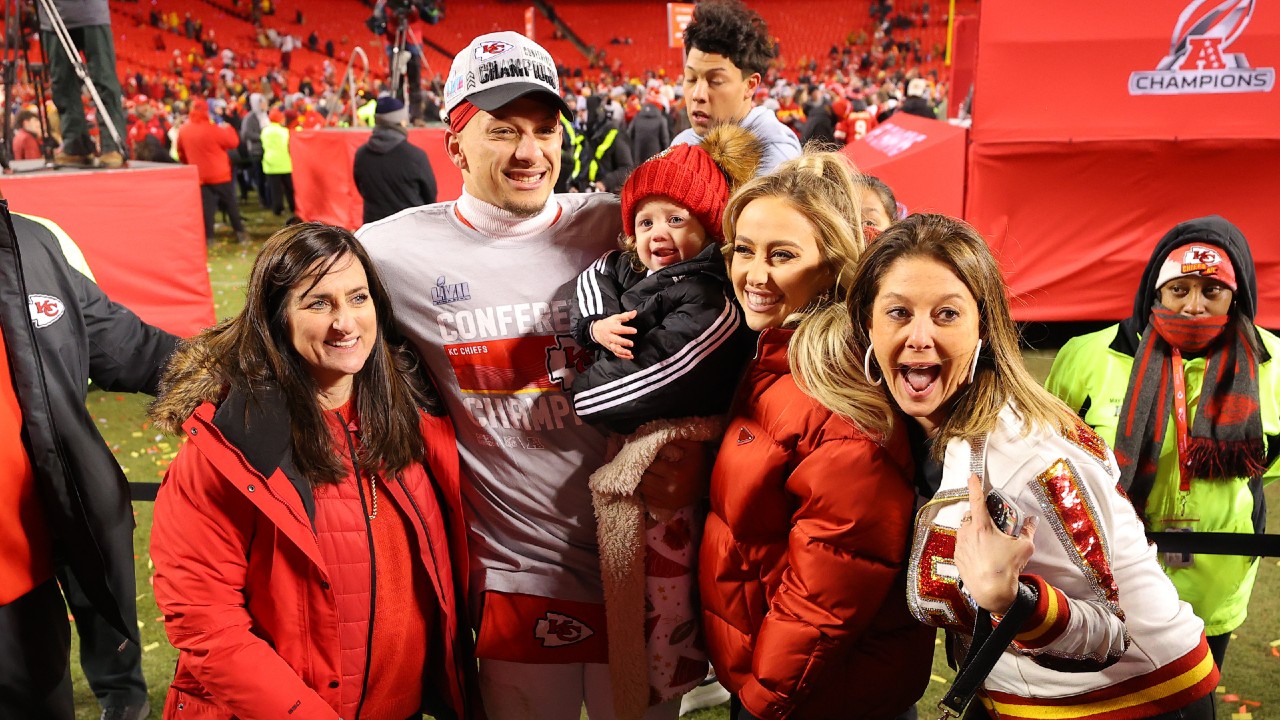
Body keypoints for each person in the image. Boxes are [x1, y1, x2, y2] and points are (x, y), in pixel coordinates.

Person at [358, 30, 701, 720]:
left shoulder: (617, 225)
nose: (529, 152)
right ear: (454, 145)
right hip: (515, 573)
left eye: (545, 130)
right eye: (502, 131)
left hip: (635, 563)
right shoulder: (387, 253)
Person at [842, 213, 1219, 719]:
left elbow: (1109, 629)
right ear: (867, 323)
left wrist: (1012, 598)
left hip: (1134, 700)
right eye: (898, 312)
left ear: (985, 326)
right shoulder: (928, 423)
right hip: (1024, 696)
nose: (919, 336)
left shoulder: (1024, 453)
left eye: (947, 314)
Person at [149, 222, 476, 720]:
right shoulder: (229, 448)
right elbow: (206, 624)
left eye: (358, 297)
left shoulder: (414, 414)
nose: (345, 322)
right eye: (318, 303)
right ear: (276, 318)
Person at [699, 152, 934, 720]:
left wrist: (766, 696)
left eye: (781, 255)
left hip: (811, 696)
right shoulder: (776, 357)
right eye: (744, 251)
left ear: (832, 265)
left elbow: (832, 577)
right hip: (790, 683)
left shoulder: (838, 394)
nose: (754, 274)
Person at [568, 124, 762, 720]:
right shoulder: (627, 272)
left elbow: (634, 388)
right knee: (629, 601)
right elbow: (592, 280)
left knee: (664, 610)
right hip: (641, 468)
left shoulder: (709, 298)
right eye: (647, 220)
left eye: (677, 219)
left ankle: (666, 685)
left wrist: (579, 386)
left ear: (709, 226)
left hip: (671, 468)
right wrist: (592, 328)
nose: (659, 234)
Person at [1045, 216, 1279, 673]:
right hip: (1108, 572)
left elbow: (1269, 464)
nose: (1194, 306)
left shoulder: (1273, 366)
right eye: (1179, 289)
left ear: (1237, 296)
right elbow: (1054, 455)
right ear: (1156, 290)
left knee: (1193, 700)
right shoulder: (1087, 356)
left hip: (1216, 577)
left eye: (1211, 291)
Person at [0, 197, 177, 720]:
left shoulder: (28, 242)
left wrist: (263, 374)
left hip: (24, 580)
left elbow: (128, 346)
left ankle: (123, 699)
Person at [672, 0, 800, 175]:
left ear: (750, 85)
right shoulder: (682, 144)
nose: (698, 95)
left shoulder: (776, 159)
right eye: (691, 78)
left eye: (715, 81)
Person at [38, 0, 127, 167]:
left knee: (104, 80)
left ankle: (112, 146)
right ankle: (75, 147)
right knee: (62, 84)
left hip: (91, 13)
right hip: (52, 17)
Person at [353, 96, 437, 224]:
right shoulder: (415, 156)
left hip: (374, 230)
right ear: (401, 120)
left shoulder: (361, 154)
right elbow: (430, 196)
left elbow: (361, 188)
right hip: (410, 229)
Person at [176, 98, 249, 244]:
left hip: (200, 175)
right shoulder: (213, 128)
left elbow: (181, 152)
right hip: (220, 174)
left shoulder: (184, 130)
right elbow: (233, 142)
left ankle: (208, 237)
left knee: (207, 208)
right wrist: (227, 127)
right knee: (230, 204)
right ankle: (240, 233)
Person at [261, 107, 296, 217]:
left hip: (270, 164)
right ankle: (293, 207)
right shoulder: (285, 132)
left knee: (275, 190)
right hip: (285, 163)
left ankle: (278, 209)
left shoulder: (265, 131)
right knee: (289, 189)